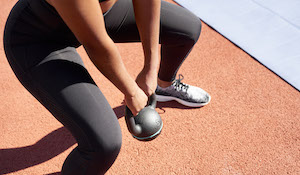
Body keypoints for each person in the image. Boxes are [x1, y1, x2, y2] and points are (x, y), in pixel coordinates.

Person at [3, 0, 211, 174]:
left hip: (99, 16)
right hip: (41, 39)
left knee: (188, 29)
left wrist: (150, 69)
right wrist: (131, 91)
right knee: (104, 145)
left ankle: (163, 86)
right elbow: (97, 45)